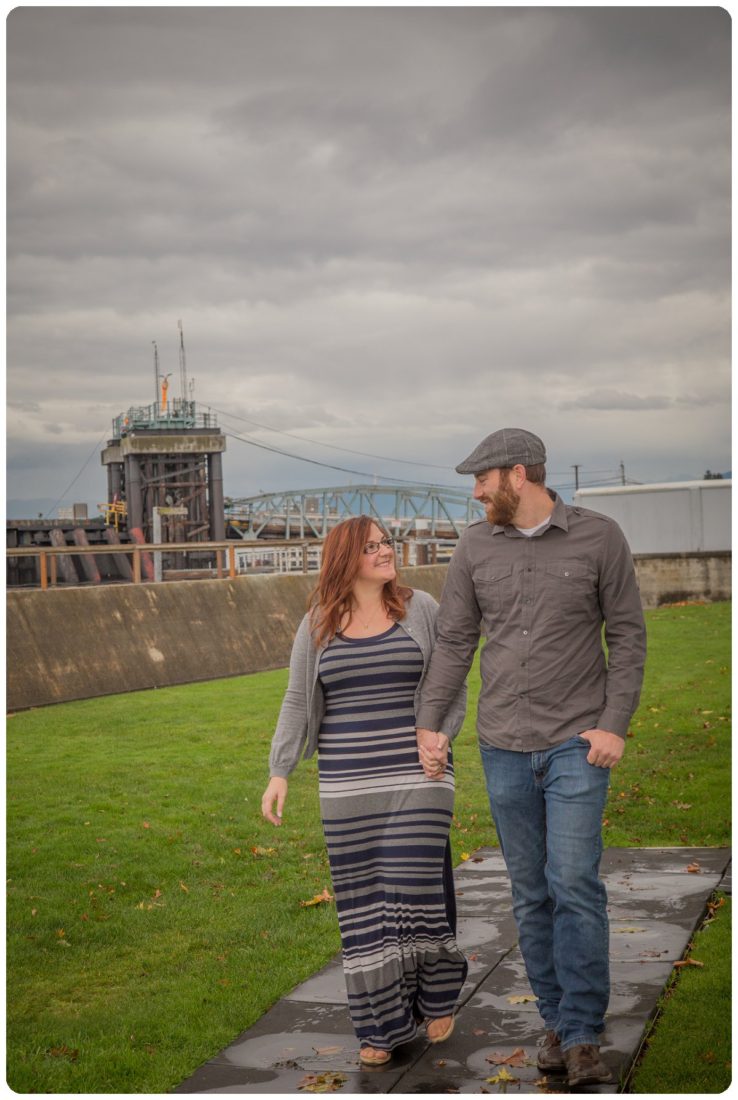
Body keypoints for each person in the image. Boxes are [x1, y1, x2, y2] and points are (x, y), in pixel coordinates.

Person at [415, 428, 647, 1088]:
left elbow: (628, 638)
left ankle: (580, 1032)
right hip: (503, 747)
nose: (476, 491)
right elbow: (456, 642)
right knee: (531, 890)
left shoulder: (599, 537)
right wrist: (429, 723)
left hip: (578, 742)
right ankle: (552, 1020)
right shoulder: (473, 546)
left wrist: (614, 726)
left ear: (519, 474)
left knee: (573, 881)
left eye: (482, 479)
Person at [261, 515, 468, 1067]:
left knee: (411, 881)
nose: (385, 551)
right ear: (347, 558)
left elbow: (449, 680)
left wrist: (444, 736)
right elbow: (296, 699)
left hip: (416, 774)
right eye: (373, 546)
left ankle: (436, 994)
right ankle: (382, 1024)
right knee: (363, 906)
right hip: (348, 784)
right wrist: (280, 770)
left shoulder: (419, 608)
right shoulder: (319, 624)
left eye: (386, 543)